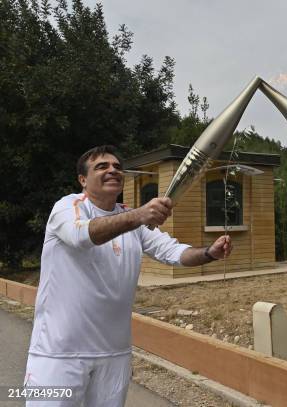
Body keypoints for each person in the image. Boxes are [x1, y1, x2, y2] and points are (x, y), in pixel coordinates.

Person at [24, 145, 233, 406]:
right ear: (82, 179)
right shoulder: (66, 208)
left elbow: (173, 252)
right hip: (58, 355)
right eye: (102, 166)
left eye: (117, 166)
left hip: (114, 354)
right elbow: (81, 235)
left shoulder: (132, 219)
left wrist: (209, 253)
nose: (112, 170)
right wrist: (140, 214)